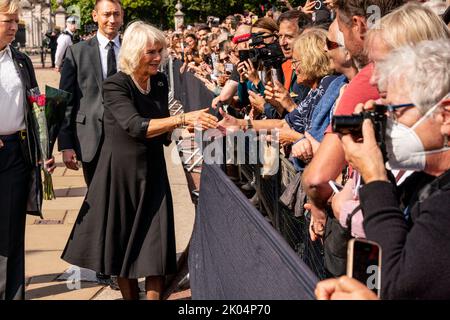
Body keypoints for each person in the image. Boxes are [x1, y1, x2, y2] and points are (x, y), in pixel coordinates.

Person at [61, 21, 218, 300]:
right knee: (124, 247)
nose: (158, 58)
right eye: (151, 52)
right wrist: (182, 119)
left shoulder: (159, 81)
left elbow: (160, 125)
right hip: (120, 176)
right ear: (134, 52)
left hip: (154, 170)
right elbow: (136, 126)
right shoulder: (115, 85)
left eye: (160, 51)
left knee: (157, 244)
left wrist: (181, 126)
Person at [341, 39, 450, 299]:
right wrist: (377, 162)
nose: (389, 124)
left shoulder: (445, 206)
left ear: (445, 116)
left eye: (395, 112)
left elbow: (395, 287)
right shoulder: (425, 182)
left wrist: (376, 179)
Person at [57, 0, 124, 287]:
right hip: (91, 140)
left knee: (122, 199)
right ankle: (102, 263)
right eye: (106, 14)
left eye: (117, 14)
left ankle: (122, 258)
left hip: (126, 138)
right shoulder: (77, 51)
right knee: (98, 200)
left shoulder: (132, 48)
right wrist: (66, 144)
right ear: (95, 16)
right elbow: (64, 100)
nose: (111, 19)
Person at [0, 0, 55, 300]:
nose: (14, 26)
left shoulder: (21, 61)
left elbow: (35, 107)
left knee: (11, 236)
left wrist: (43, 147)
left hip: (15, 155)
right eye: (7, 20)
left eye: (16, 21)